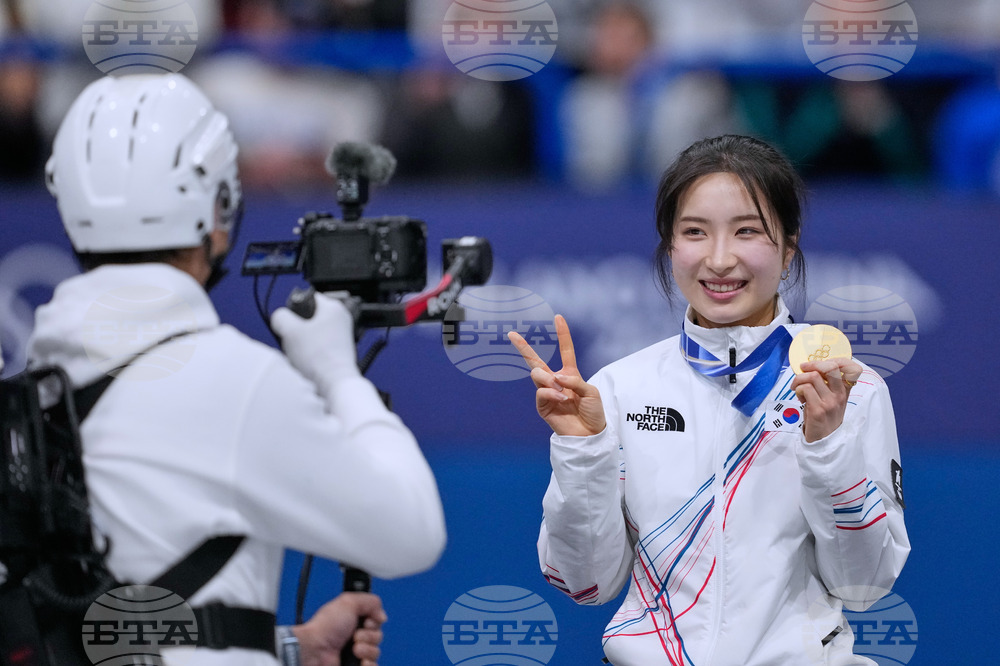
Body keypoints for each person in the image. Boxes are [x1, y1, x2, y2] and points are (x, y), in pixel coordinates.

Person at [32, 72, 446, 665]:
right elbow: (412, 532)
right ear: (217, 206)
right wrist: (338, 375)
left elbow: (91, 609)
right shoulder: (235, 380)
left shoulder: (37, 370)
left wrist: (286, 647)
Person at [509, 135, 909, 665]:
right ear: (670, 247)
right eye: (695, 232)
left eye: (747, 231)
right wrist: (582, 452)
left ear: (789, 247)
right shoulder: (618, 390)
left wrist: (829, 446)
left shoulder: (848, 389)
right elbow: (584, 585)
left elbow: (864, 587)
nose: (720, 260)